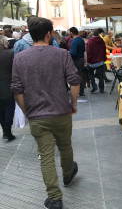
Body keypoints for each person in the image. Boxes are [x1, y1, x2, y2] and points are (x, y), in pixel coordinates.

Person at [11, 17, 80, 209]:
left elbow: (17, 89)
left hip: (37, 116)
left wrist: (27, 111)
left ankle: (55, 198)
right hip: (62, 111)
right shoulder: (62, 54)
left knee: (46, 156)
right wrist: (73, 103)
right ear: (49, 34)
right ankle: (67, 175)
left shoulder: (19, 58)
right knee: (65, 146)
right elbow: (75, 81)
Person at [0, 35, 16, 141]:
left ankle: (4, 130)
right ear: (5, 43)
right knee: (9, 107)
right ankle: (7, 130)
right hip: (7, 84)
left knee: (1, 109)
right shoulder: (10, 53)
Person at [86, 29, 107, 94]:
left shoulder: (90, 41)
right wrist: (103, 58)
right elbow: (104, 50)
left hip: (92, 60)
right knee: (100, 75)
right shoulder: (102, 41)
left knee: (90, 73)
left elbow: (89, 52)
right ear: (98, 34)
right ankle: (101, 88)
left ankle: (94, 85)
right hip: (100, 60)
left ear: (92, 34)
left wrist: (88, 61)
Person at [69, 27, 86, 97]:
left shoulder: (74, 41)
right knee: (80, 75)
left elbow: (73, 53)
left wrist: (68, 53)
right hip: (81, 59)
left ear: (71, 33)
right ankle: (81, 91)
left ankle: (79, 91)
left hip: (76, 60)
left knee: (77, 76)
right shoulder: (81, 40)